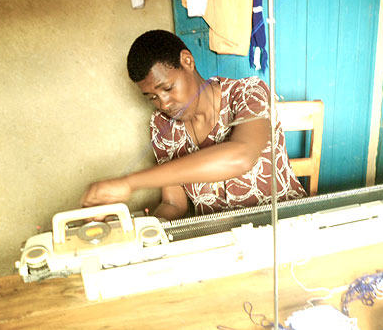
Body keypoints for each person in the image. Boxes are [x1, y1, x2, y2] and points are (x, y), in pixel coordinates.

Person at [81, 29, 306, 220]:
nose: (164, 104)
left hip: (285, 225)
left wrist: (129, 183)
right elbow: (174, 204)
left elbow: (242, 156)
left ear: (187, 61)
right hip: (221, 241)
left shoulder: (248, 93)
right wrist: (145, 232)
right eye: (152, 97)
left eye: (167, 88)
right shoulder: (162, 126)